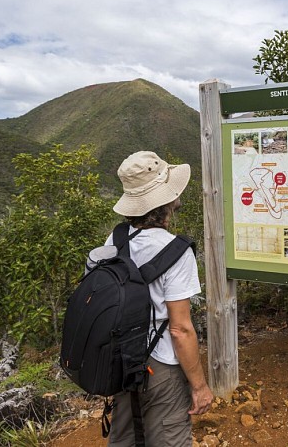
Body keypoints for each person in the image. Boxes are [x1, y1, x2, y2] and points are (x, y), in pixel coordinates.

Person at [106, 151, 213, 446]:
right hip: (160, 364)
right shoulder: (176, 252)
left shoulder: (115, 241)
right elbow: (180, 329)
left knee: (126, 438)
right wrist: (200, 386)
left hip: (122, 359)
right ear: (166, 201)